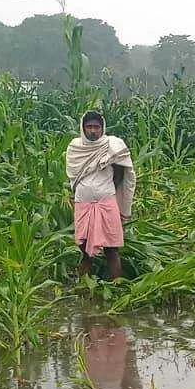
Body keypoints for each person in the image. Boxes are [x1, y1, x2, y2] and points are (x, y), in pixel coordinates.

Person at [65, 110, 135, 280]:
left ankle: (116, 286)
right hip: (83, 203)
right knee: (84, 248)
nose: (93, 131)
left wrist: (105, 190)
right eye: (89, 127)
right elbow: (73, 174)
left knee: (112, 249)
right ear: (83, 128)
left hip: (106, 202)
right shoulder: (75, 147)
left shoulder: (112, 146)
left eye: (96, 127)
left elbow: (121, 173)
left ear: (102, 128)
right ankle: (84, 286)